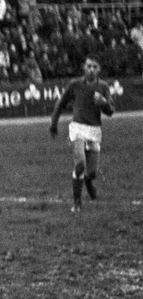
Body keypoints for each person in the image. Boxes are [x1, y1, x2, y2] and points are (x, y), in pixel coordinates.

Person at [50, 56, 115, 212]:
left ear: (98, 70)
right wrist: (53, 123)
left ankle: (88, 181)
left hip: (94, 131)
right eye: (88, 66)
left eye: (94, 66)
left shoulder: (103, 87)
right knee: (79, 165)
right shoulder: (75, 85)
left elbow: (111, 111)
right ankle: (77, 203)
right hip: (78, 128)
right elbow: (61, 103)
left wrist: (104, 104)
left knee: (92, 173)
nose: (91, 69)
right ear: (84, 68)